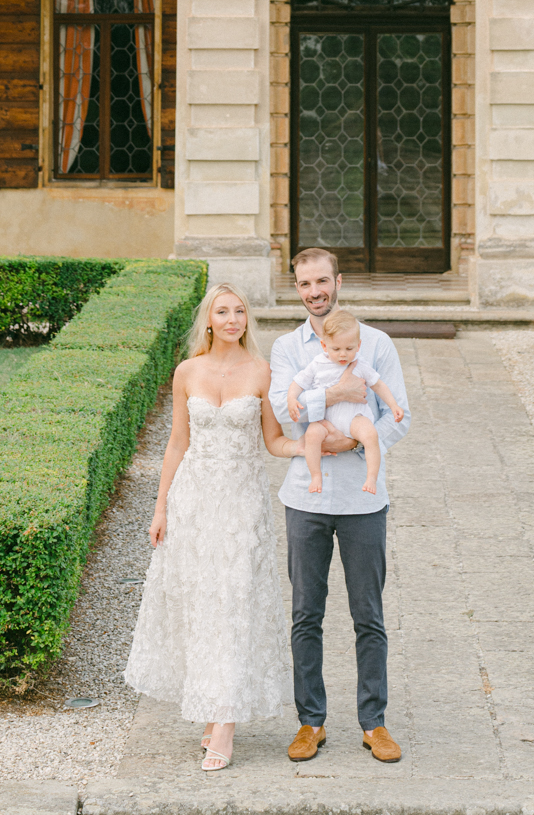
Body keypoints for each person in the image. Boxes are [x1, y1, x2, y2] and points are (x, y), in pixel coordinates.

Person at [125, 282, 303, 775]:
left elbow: (274, 441)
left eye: (239, 311)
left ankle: (224, 722)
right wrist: (160, 508)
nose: (232, 319)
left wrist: (313, 447)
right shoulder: (188, 371)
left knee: (235, 603)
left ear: (248, 319)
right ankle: (212, 706)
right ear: (208, 320)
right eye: (223, 311)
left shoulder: (262, 372)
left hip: (242, 507)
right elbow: (177, 444)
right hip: (194, 504)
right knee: (203, 604)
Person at [269, 247, 410, 766]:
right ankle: (311, 722)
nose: (315, 292)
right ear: (297, 288)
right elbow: (286, 421)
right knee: (306, 613)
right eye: (306, 284)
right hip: (305, 499)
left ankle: (374, 723)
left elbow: (400, 415)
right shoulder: (287, 348)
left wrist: (349, 441)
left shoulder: (376, 343)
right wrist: (339, 395)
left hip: (363, 502)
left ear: (338, 281)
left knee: (367, 615)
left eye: (323, 281)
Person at [286, 309, 404, 496]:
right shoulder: (317, 364)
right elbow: (298, 382)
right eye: (336, 349)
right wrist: (291, 398)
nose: (343, 354)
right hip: (326, 419)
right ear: (324, 345)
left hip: (354, 416)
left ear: (358, 345)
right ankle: (316, 475)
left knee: (370, 435)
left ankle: (371, 477)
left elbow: (379, 385)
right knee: (312, 435)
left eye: (349, 349)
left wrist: (394, 405)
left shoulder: (360, 363)